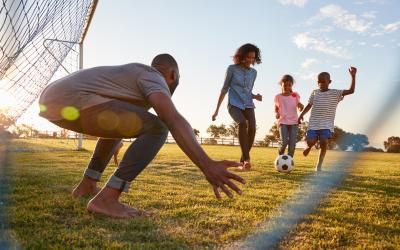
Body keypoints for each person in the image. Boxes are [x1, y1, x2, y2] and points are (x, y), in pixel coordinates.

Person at [38, 54, 245, 218]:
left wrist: (115, 138)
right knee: (158, 128)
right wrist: (207, 165)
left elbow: (114, 120)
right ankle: (106, 200)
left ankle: (86, 186)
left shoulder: (133, 79)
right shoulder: (152, 75)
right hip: (72, 98)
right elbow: (172, 118)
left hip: (53, 101)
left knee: (123, 126)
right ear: (172, 75)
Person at [212, 43, 262, 171]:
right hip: (234, 104)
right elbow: (224, 89)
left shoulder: (254, 73)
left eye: (253, 58)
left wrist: (255, 96)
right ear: (241, 56)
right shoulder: (232, 69)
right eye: (248, 57)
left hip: (248, 105)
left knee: (252, 127)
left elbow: (247, 91)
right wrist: (216, 110)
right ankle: (247, 159)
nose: (250, 60)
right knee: (242, 123)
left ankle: (243, 160)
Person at [298, 67, 357, 171]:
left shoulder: (335, 93)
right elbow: (309, 105)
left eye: (323, 82)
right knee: (310, 141)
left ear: (329, 82)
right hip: (314, 123)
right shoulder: (315, 92)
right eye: (318, 82)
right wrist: (301, 115)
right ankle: (309, 146)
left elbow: (351, 91)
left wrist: (353, 76)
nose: (320, 84)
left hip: (326, 124)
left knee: (324, 142)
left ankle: (319, 165)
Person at [274, 74, 304, 158]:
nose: (287, 87)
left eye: (289, 85)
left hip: (294, 122)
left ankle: (289, 160)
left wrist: (301, 106)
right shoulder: (278, 97)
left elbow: (299, 105)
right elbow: (276, 107)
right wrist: (276, 113)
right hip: (283, 121)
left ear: (291, 85)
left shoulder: (295, 95)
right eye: (285, 85)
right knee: (284, 142)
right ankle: (280, 156)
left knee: (292, 143)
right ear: (281, 85)